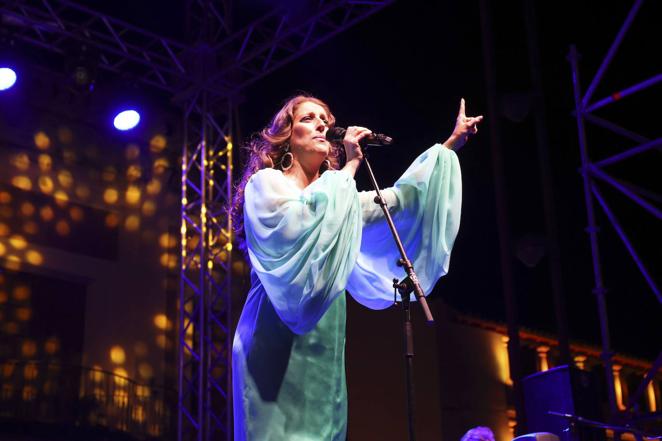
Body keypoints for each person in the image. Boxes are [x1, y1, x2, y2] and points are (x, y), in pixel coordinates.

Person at [231, 94, 482, 440]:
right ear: (286, 135)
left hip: (323, 345)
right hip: (270, 337)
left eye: (325, 118)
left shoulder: (341, 199)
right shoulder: (267, 185)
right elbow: (297, 222)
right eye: (308, 118)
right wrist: (348, 168)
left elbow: (400, 202)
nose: (322, 123)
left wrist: (451, 145)